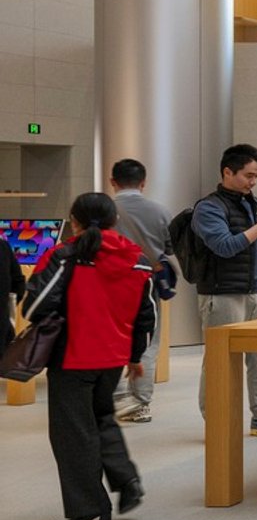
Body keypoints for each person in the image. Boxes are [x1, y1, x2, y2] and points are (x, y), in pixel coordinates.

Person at [21, 192, 154, 520]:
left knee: (72, 433)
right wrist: (135, 356)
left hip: (72, 357)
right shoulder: (137, 260)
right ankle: (126, 480)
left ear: (74, 221)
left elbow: (35, 306)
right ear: (115, 221)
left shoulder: (64, 256)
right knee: (102, 418)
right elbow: (146, 315)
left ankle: (87, 506)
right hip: (112, 359)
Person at [191, 143, 257, 436]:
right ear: (228, 172)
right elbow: (225, 246)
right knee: (220, 360)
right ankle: (217, 423)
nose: (254, 182)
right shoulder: (208, 208)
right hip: (222, 293)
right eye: (249, 175)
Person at [106, 158, 170, 424]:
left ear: (113, 182)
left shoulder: (105, 210)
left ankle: (115, 398)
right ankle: (140, 404)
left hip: (109, 284)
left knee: (110, 340)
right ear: (143, 183)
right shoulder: (160, 211)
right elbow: (169, 247)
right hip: (146, 283)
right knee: (148, 343)